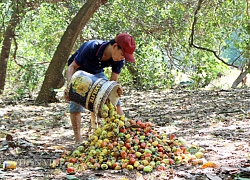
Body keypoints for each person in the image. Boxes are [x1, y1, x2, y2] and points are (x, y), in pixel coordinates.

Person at [64, 33, 136, 143]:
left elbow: (113, 82)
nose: (123, 58)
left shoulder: (119, 60)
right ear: (115, 46)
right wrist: (70, 87)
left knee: (115, 100)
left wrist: (115, 90)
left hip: (97, 72)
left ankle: (124, 132)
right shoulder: (91, 47)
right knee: (75, 104)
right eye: (122, 54)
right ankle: (78, 140)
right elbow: (71, 67)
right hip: (79, 71)